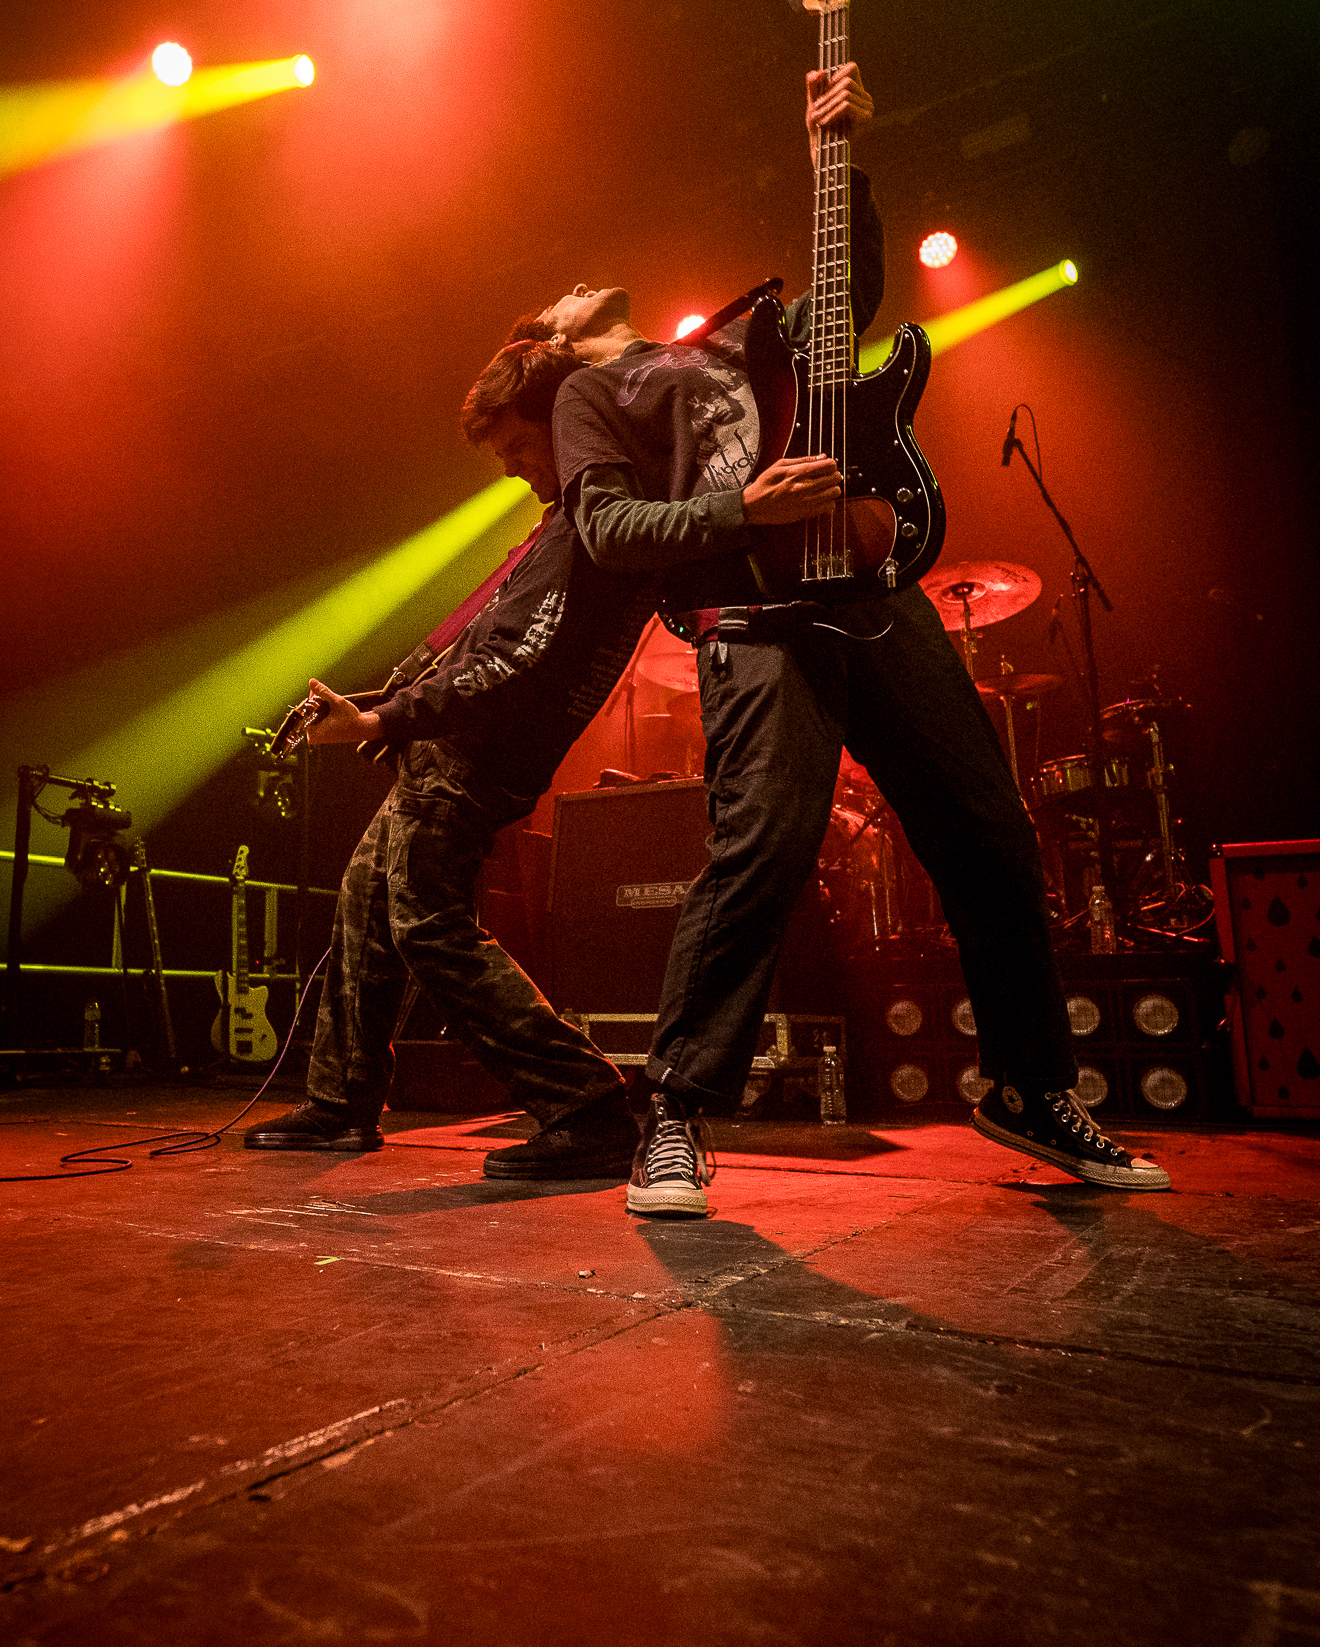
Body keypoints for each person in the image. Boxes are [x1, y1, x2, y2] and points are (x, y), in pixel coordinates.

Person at [518, 61, 1170, 1212]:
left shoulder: (731, 342)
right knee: (762, 846)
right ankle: (672, 1112)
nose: (581, 285)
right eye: (560, 298)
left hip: (871, 591)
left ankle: (1029, 1087)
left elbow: (846, 295)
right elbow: (611, 530)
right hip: (756, 618)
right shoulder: (592, 398)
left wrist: (837, 157)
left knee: (988, 831)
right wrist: (746, 508)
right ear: (557, 342)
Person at [245, 333, 658, 1178]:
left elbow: (516, 661)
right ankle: (340, 1103)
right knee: (367, 910)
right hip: (446, 752)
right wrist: (389, 707)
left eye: (519, 447)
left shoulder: (589, 524)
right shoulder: (561, 524)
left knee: (427, 927)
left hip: (475, 761)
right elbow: (488, 648)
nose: (511, 468)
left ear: (566, 424)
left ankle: (587, 1105)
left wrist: (382, 720)